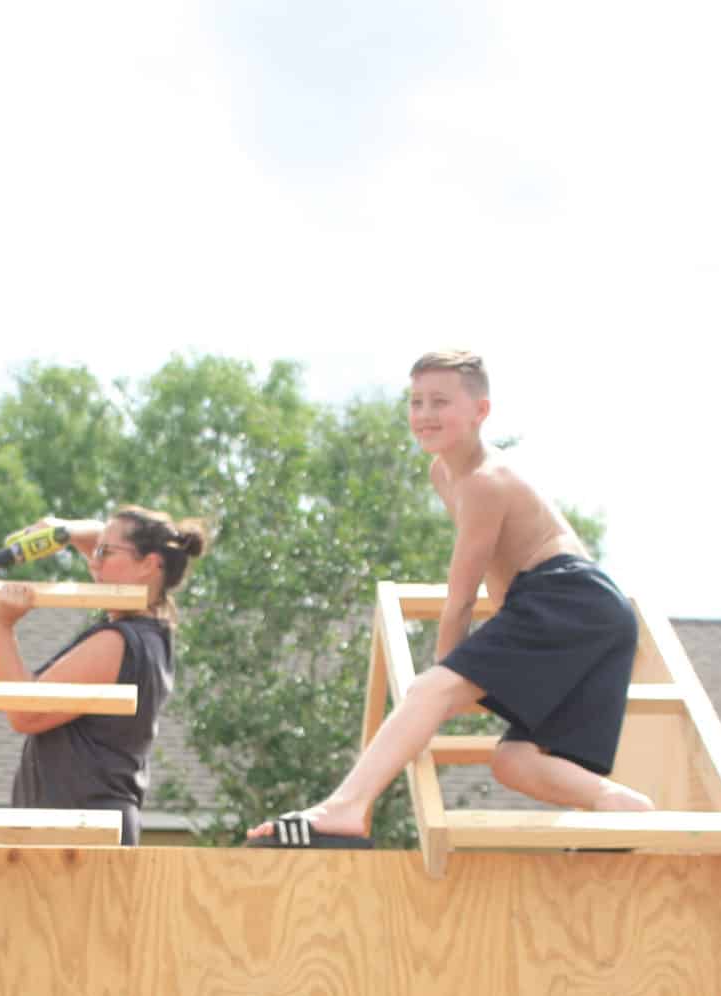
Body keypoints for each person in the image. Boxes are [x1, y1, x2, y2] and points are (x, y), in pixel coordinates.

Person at [249, 349, 651, 847]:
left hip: (567, 598)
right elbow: (504, 579)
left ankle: (344, 807)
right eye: (416, 402)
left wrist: (447, 677)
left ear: (481, 411)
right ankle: (617, 802)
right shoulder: (444, 473)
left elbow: (461, 597)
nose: (424, 415)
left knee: (427, 690)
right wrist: (484, 665)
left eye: (440, 402)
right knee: (514, 762)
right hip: (590, 613)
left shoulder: (485, 480)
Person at [0, 506, 205, 996]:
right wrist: (62, 529)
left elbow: (24, 712)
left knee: (95, 984)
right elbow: (108, 544)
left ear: (150, 567)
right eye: (95, 550)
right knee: (95, 982)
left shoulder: (117, 642)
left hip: (83, 820)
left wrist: (2, 627)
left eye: (109, 554)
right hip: (91, 817)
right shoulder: (149, 631)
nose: (93, 561)